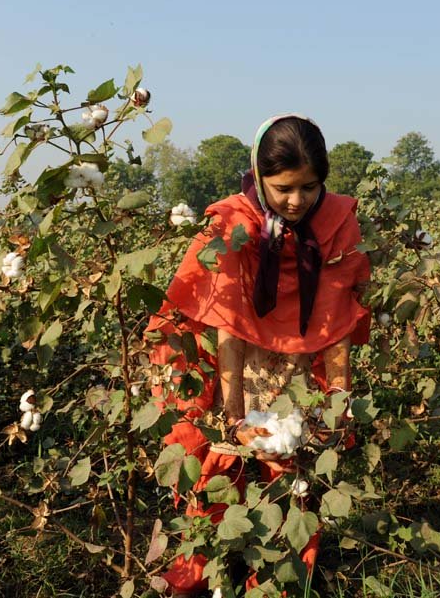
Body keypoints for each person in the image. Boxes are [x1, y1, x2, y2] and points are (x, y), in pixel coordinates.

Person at [146, 115, 371, 595]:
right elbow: (227, 323)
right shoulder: (233, 225)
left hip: (295, 369)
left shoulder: (335, 222)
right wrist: (230, 418)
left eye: (309, 187)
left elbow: (336, 322)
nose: (296, 201)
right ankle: (201, 575)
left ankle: (276, 581)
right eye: (282, 187)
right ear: (258, 175)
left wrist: (337, 400)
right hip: (233, 365)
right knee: (220, 474)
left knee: (292, 477)